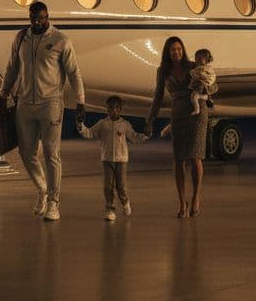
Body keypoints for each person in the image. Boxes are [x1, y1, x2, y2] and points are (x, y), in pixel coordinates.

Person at [0, 1, 85, 222]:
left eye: (41, 18)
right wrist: (3, 94)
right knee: (26, 153)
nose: (37, 22)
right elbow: (11, 68)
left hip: (51, 104)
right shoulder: (21, 39)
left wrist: (80, 101)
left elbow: (74, 72)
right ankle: (42, 190)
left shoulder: (60, 41)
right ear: (29, 18)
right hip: (25, 103)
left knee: (50, 153)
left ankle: (54, 203)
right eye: (33, 18)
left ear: (48, 17)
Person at [146, 36, 209, 217]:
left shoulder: (192, 66)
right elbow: (158, 96)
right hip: (178, 114)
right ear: (168, 52)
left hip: (196, 113)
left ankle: (196, 196)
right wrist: (150, 119)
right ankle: (182, 201)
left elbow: (209, 84)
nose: (176, 52)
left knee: (196, 157)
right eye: (173, 50)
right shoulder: (163, 71)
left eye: (179, 49)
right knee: (179, 159)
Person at [77, 95, 148, 221]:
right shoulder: (102, 124)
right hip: (107, 159)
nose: (113, 110)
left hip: (121, 160)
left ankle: (125, 202)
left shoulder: (125, 124)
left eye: (116, 108)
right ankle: (110, 209)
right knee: (108, 186)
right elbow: (89, 133)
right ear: (106, 109)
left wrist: (146, 135)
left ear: (120, 109)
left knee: (121, 185)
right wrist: (81, 125)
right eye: (110, 107)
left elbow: (134, 137)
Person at [189, 47, 217, 115]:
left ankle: (197, 109)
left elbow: (195, 74)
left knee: (194, 97)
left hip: (202, 86)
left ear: (202, 60)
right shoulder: (209, 68)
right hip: (207, 85)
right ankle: (207, 98)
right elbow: (212, 76)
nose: (196, 61)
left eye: (197, 59)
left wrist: (191, 71)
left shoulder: (201, 69)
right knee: (204, 94)